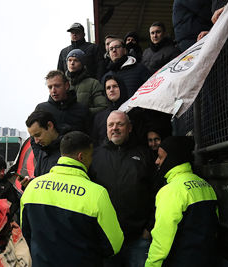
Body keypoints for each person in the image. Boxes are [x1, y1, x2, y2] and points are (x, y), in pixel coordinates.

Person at [21, 131, 124, 267]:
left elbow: (26, 233)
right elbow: (114, 245)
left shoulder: (32, 187)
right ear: (81, 157)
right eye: (91, 155)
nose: (92, 160)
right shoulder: (97, 193)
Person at [89, 110, 158, 267]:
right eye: (111, 125)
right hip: (106, 240)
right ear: (106, 129)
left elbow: (158, 192)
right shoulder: (95, 156)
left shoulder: (145, 154)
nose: (115, 128)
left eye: (120, 124)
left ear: (130, 128)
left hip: (138, 239)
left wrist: (149, 228)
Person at [145, 136, 218, 267]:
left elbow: (162, 240)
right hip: (208, 259)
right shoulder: (205, 185)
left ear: (172, 159)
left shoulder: (170, 191)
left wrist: (151, 264)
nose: (156, 161)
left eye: (160, 157)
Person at [35, 70, 90, 134]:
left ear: (66, 86)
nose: (53, 90)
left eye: (57, 86)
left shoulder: (82, 109)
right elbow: (35, 137)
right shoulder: (41, 109)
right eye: (50, 87)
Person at [66, 49, 107, 114]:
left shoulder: (93, 84)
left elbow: (103, 107)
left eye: (76, 60)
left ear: (82, 64)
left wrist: (84, 112)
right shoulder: (61, 82)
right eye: (69, 60)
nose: (72, 63)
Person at [90, 75, 128, 146]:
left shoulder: (133, 112)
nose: (111, 90)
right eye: (108, 88)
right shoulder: (99, 117)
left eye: (115, 86)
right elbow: (95, 142)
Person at [25, 110, 61, 180]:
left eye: (38, 135)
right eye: (33, 137)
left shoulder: (69, 150)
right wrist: (29, 184)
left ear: (50, 126)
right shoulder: (43, 151)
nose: (36, 141)